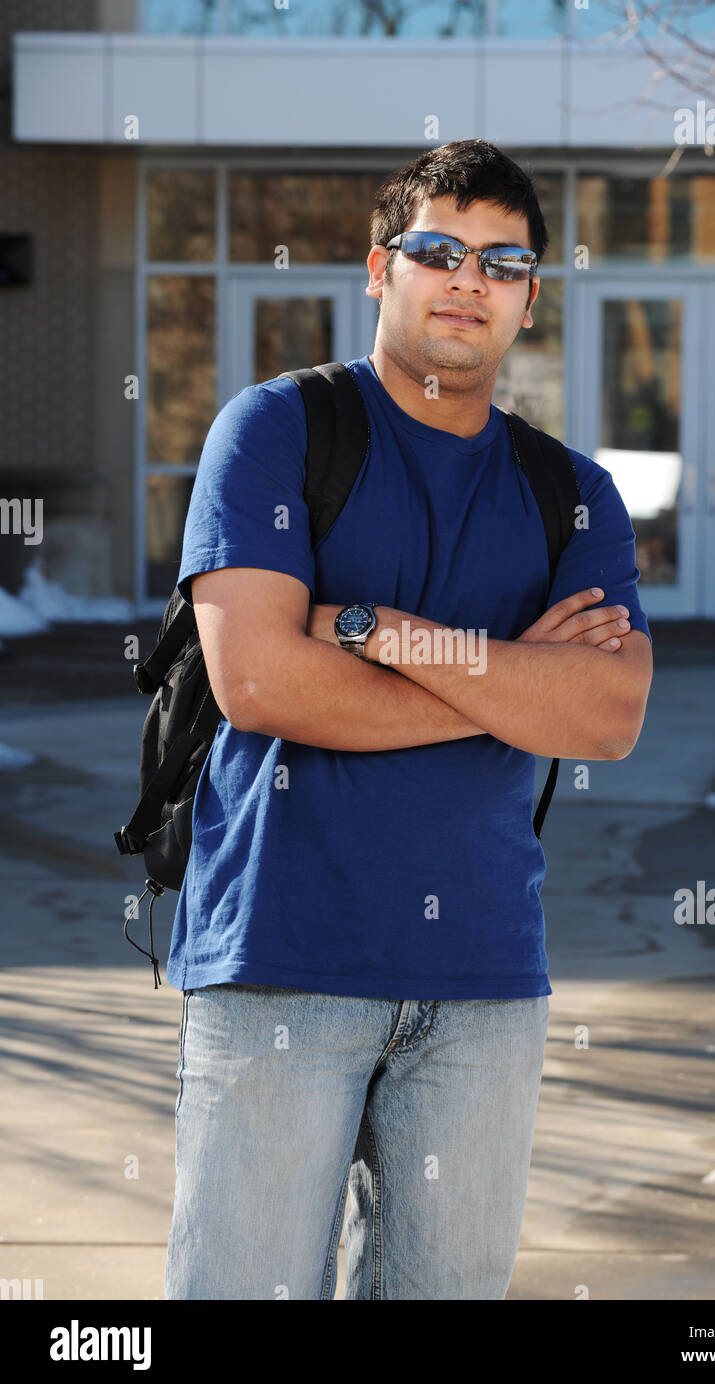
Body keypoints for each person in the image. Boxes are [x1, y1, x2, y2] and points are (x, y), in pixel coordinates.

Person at [163, 139, 653, 1301]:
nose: (466, 278)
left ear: (529, 297)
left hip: (482, 978)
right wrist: (506, 690)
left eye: (501, 259)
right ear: (378, 270)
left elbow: (608, 712)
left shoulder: (569, 491)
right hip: (282, 957)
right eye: (437, 250)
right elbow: (262, 684)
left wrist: (380, 631)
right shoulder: (280, 430)